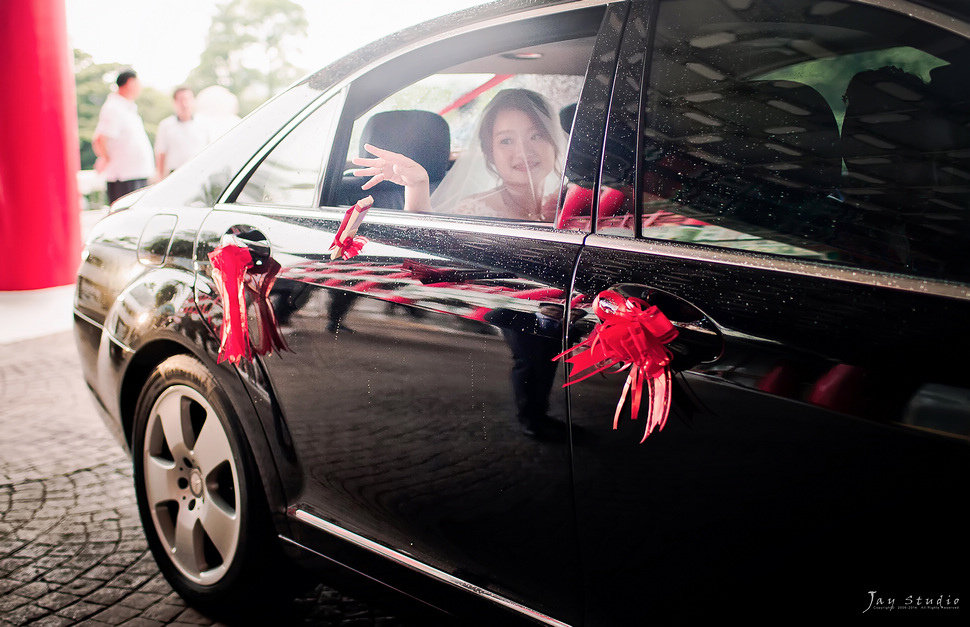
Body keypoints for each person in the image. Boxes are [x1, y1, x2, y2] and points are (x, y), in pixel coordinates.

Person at [352, 88, 566, 221]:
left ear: (555, 141)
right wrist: (417, 187)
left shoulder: (575, 203)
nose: (523, 151)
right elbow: (428, 246)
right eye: (506, 140)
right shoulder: (473, 212)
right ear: (490, 153)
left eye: (536, 136)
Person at [93, 69, 154, 204]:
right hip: (124, 176)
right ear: (130, 83)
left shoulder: (127, 107)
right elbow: (100, 138)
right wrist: (106, 158)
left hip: (135, 174)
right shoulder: (114, 108)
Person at [155, 87, 210, 179]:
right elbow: (161, 152)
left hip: (199, 172)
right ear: (175, 102)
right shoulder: (165, 125)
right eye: (181, 100)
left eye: (188, 99)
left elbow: (210, 148)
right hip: (174, 175)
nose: (185, 104)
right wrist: (160, 177)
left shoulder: (204, 123)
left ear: (193, 101)